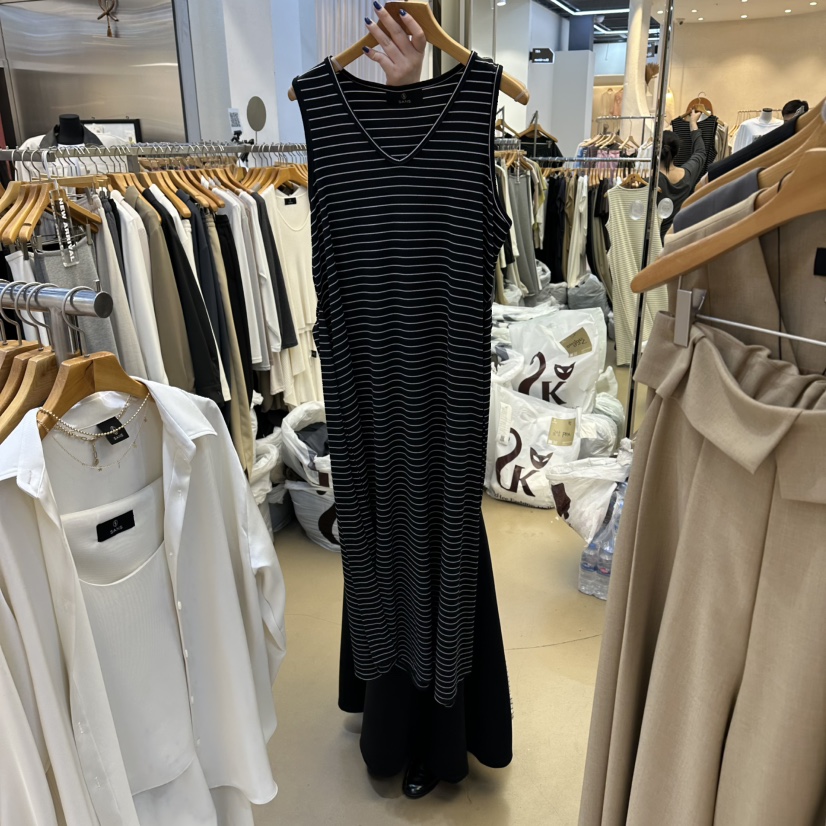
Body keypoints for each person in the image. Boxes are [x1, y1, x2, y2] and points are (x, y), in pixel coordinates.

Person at [657, 108, 705, 239]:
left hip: (654, 242)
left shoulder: (649, 180)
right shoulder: (687, 174)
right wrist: (693, 123)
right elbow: (700, 152)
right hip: (679, 236)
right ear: (677, 152)